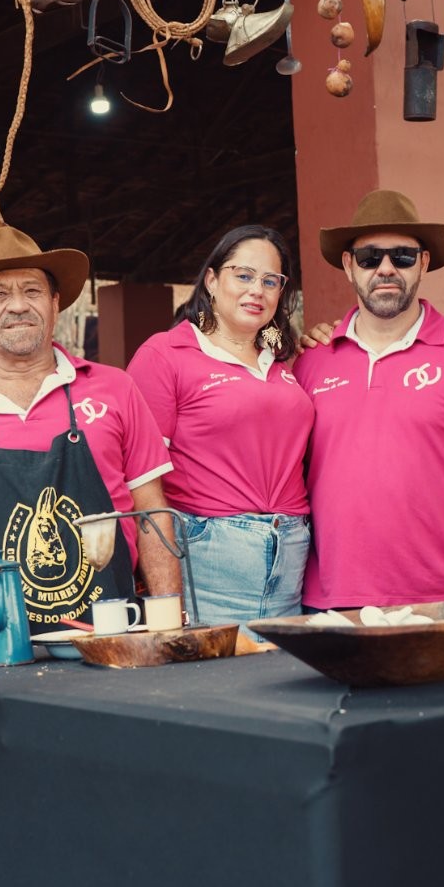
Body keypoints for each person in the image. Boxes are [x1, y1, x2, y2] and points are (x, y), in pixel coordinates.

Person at [0, 225, 179, 633]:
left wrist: (168, 621)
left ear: (55, 304)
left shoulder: (117, 389)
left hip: (112, 637)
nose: (18, 306)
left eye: (33, 291)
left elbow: (151, 513)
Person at [294, 189, 444, 610]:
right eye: (369, 257)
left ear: (423, 262)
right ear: (348, 265)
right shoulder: (311, 361)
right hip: (330, 603)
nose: (386, 268)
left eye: (402, 256)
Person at [127, 225, 314, 625]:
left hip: (291, 552)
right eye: (243, 275)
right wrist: (166, 598)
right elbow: (142, 485)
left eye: (270, 281)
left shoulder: (282, 362)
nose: (256, 290)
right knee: (220, 665)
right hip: (208, 555)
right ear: (211, 280)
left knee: (282, 666)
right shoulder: (166, 354)